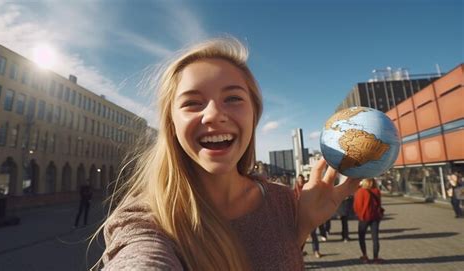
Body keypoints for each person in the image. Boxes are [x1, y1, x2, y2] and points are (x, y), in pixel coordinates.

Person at [98, 37, 359, 270]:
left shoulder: (281, 200)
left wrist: (302, 225)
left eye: (233, 98)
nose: (213, 114)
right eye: (192, 103)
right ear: (171, 124)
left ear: (254, 114)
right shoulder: (145, 220)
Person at [353, 178, 384, 264]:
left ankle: (365, 255)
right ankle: (375, 257)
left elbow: (357, 206)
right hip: (375, 217)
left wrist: (359, 215)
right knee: (375, 238)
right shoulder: (377, 191)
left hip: (364, 218)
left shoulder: (360, 192)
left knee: (362, 237)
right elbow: (379, 204)